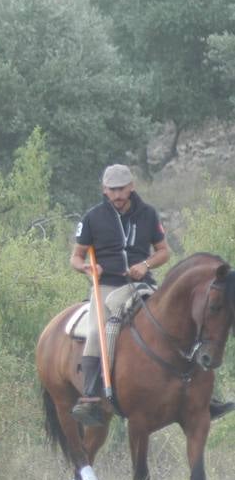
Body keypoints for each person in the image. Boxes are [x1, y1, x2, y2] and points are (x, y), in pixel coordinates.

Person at [69, 163, 170, 426]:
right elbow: (76, 257)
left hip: (142, 284)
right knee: (96, 332)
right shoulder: (92, 217)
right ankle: (91, 396)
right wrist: (88, 269)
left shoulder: (148, 214)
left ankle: (202, 395)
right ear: (104, 189)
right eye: (112, 190)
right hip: (106, 285)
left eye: (121, 189)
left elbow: (163, 251)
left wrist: (145, 265)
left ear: (131, 186)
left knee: (178, 320)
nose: (117, 195)